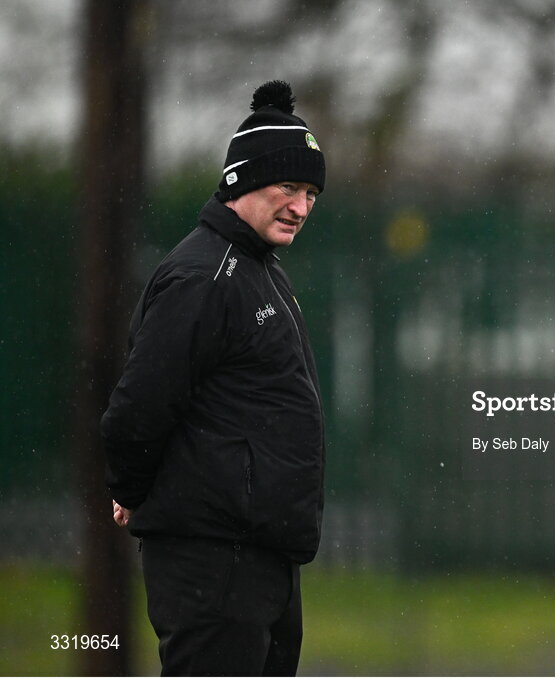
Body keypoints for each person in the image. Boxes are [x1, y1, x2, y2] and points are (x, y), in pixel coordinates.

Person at [101, 80, 327, 676]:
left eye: (310, 192)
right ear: (241, 182)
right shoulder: (205, 276)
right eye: (287, 187)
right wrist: (130, 484)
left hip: (262, 561)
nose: (301, 206)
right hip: (214, 562)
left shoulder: (262, 273)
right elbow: (138, 406)